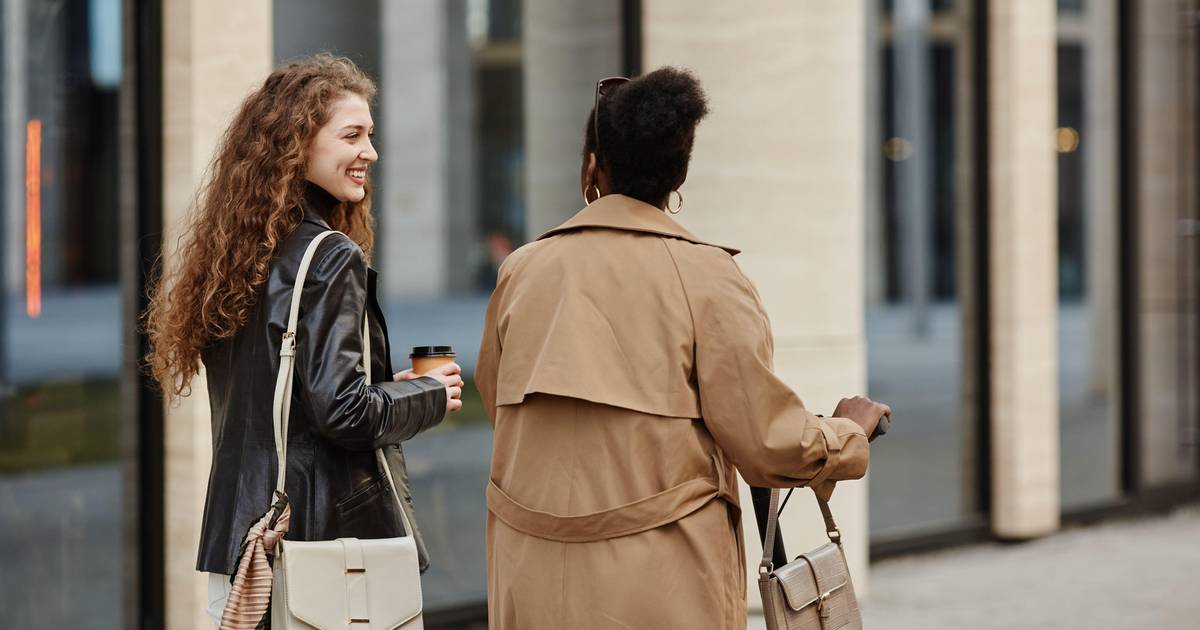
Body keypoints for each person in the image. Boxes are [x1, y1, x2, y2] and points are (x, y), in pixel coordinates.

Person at [476, 67, 891, 629]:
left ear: (593, 166)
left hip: (531, 582)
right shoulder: (708, 277)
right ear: (679, 174)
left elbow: (499, 403)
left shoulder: (522, 271)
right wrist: (847, 433)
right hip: (661, 590)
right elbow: (767, 442)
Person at [143, 53, 463, 626]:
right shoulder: (330, 257)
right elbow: (341, 412)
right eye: (353, 135)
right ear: (298, 143)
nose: (371, 152)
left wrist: (392, 388)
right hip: (318, 546)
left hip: (242, 543)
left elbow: (293, 402)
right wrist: (429, 394)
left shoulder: (238, 255)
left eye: (371, 134)